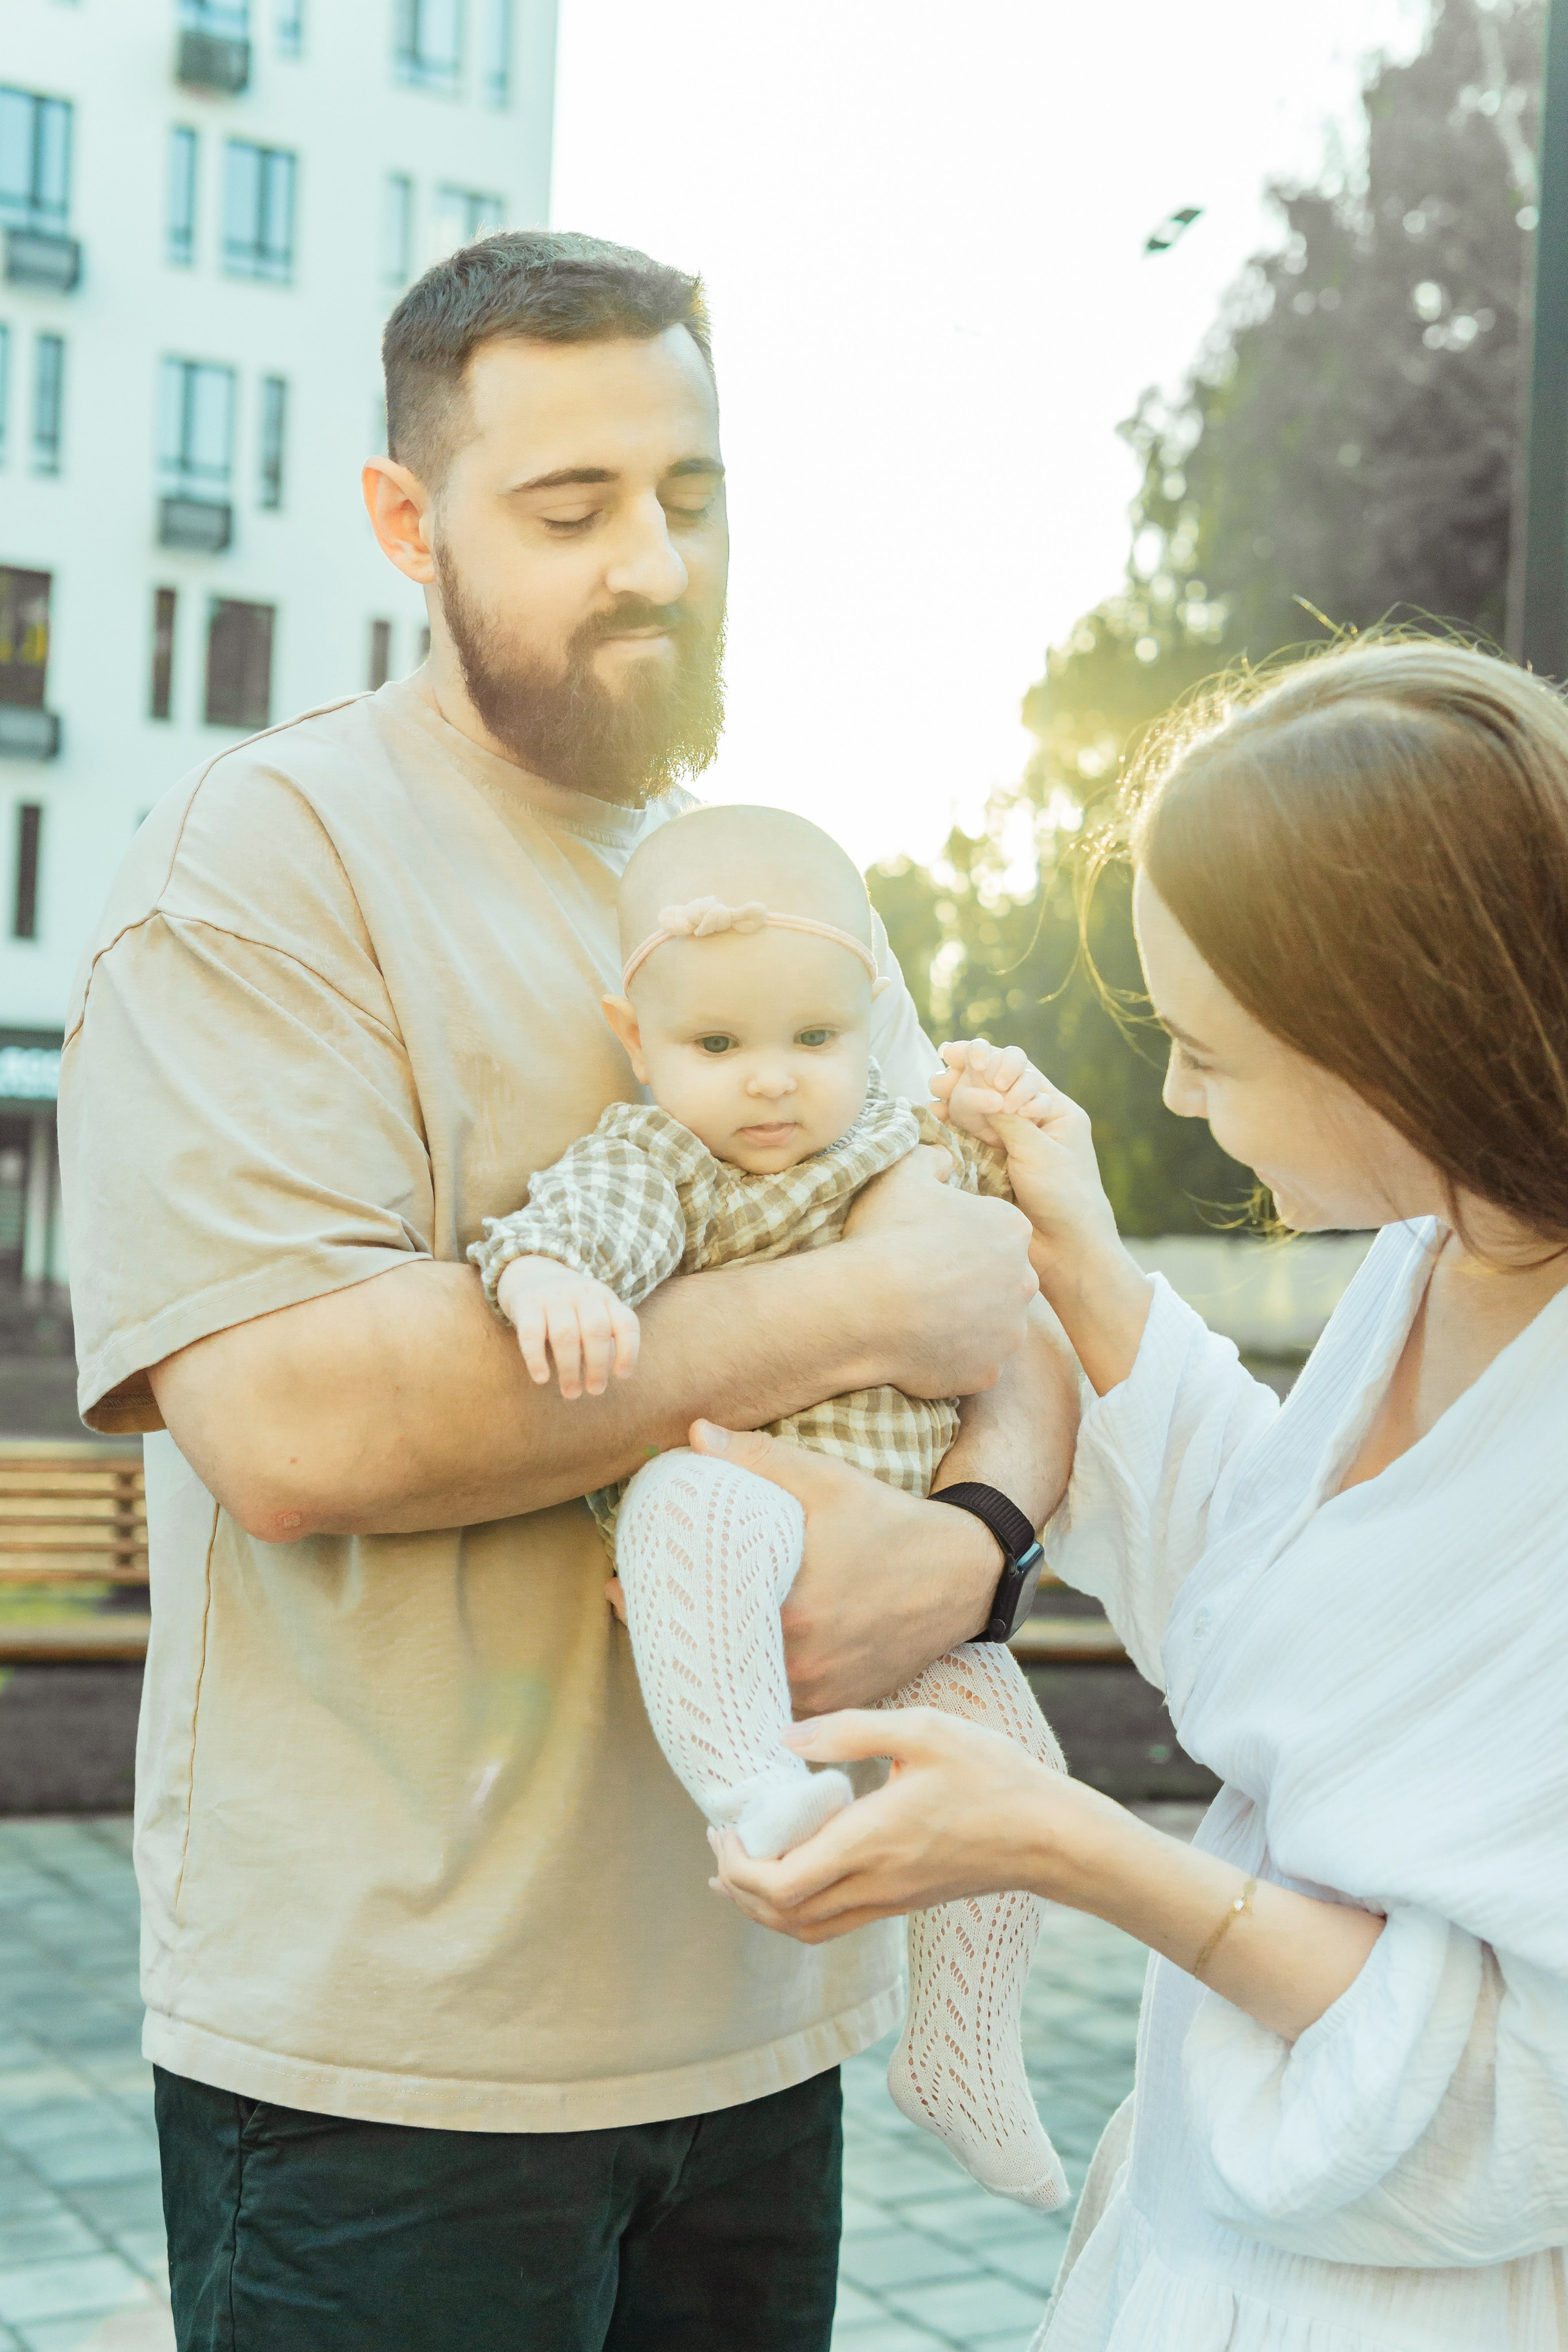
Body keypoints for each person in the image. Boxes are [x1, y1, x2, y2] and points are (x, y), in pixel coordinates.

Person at [58, 230, 1077, 2351]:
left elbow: (1005, 1303)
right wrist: (863, 1317)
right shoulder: (266, 859)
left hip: (764, 2018)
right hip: (396, 2079)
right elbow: (291, 1427)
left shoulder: (776, 888)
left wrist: (977, 1544)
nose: (655, 564)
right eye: (571, 507)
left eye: (692, 496)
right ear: (406, 520)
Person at [710, 636, 1568, 2350]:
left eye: (1207, 1049)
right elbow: (1304, 1630)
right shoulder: (1442, 1257)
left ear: (1394, 1037)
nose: (1174, 1091)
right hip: (1213, 2258)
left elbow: (1519, 2092)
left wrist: (1058, 1842)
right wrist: (1083, 1263)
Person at [473, 796, 1074, 2209]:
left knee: (1017, 1768)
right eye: (716, 1046)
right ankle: (749, 1787)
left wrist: (1011, 1118)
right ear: (636, 1040)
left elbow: (1016, 1234)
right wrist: (550, 1278)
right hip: (736, 1533)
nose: (769, 1083)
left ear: (869, 1021)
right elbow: (581, 1224)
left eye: (812, 1039)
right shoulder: (663, 1161)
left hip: (902, 1569)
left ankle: (961, 2049)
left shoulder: (893, 1140)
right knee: (686, 1495)